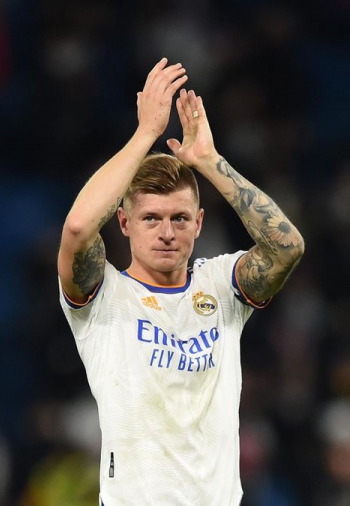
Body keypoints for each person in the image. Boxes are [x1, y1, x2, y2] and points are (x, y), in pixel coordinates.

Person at [56, 57, 305, 506]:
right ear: (124, 223)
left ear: (199, 223)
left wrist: (209, 160)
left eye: (180, 218)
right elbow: (76, 229)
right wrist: (145, 135)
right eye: (151, 218)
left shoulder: (221, 286)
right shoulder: (103, 295)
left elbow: (287, 247)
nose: (167, 232)